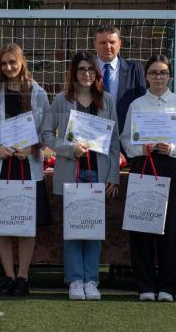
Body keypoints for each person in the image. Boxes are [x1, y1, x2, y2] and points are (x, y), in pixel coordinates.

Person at [41, 51, 120, 300]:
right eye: (81, 69)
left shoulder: (106, 100)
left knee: (93, 229)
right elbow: (46, 134)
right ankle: (75, 280)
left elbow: (115, 142)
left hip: (98, 173)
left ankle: (91, 280)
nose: (86, 73)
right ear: (73, 73)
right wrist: (69, 149)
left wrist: (114, 176)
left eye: (90, 69)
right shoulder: (62, 101)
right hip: (71, 173)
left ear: (97, 73)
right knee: (74, 228)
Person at [120, 54, 176, 302]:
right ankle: (144, 285)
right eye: (153, 72)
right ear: (146, 76)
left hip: (172, 167)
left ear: (170, 76)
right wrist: (140, 149)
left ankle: (167, 286)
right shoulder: (137, 105)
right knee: (142, 226)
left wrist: (172, 148)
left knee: (171, 228)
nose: (158, 77)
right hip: (144, 165)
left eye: (163, 72)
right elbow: (125, 139)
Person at [0, 43, 51, 296]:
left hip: (26, 167)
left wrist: (32, 148)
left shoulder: (38, 92)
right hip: (0, 166)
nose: (9, 67)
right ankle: (8, 276)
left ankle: (23, 277)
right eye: (4, 63)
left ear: (22, 62)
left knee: (25, 222)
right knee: (3, 223)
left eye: (13, 62)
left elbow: (46, 132)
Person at [94, 25, 146, 135]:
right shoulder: (85, 70)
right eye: (103, 42)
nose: (108, 46)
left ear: (120, 43)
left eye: (112, 42)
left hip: (125, 136)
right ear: (95, 44)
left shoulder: (135, 70)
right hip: (93, 136)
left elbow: (142, 106)